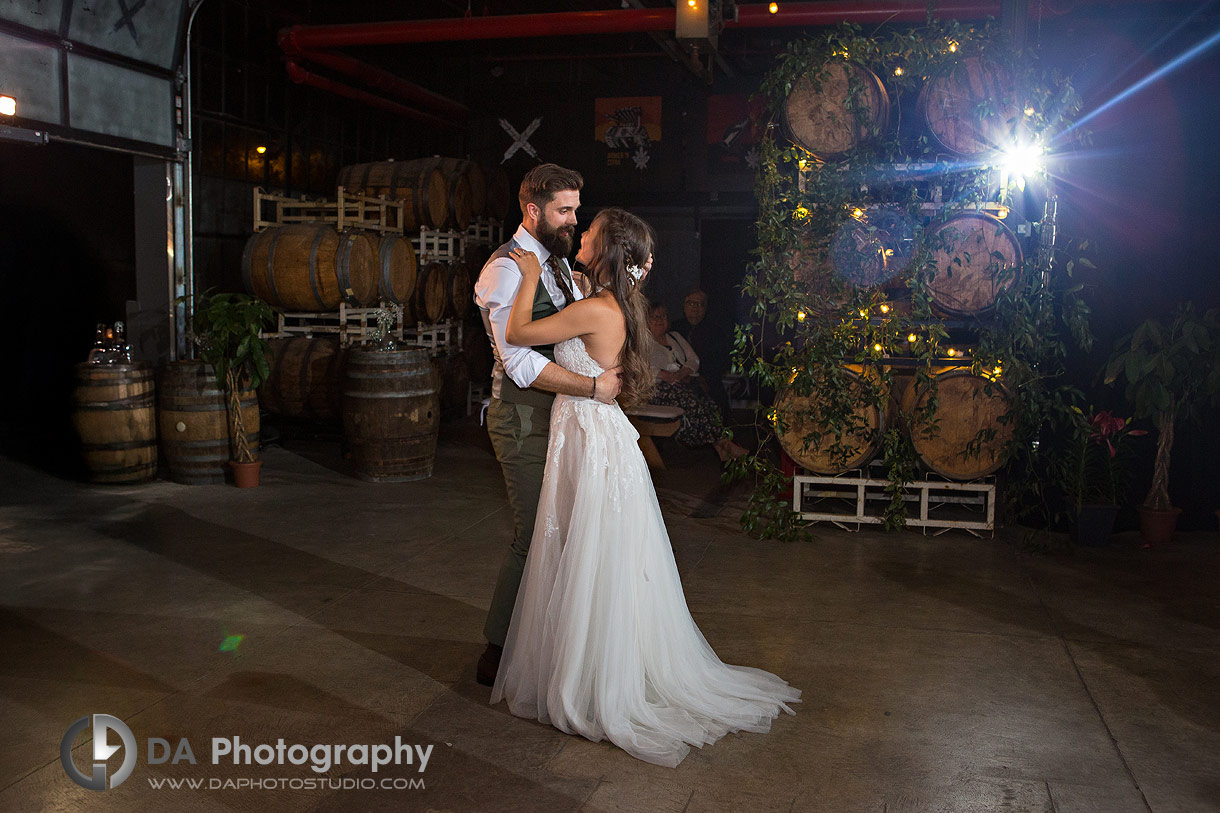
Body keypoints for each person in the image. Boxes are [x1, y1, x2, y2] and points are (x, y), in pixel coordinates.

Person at [490, 208, 799, 768]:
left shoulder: (596, 308)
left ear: (606, 250)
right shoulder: (611, 301)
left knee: (592, 552)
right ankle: (590, 665)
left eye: (590, 233)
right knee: (595, 551)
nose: (581, 234)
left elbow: (515, 334)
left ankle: (595, 679)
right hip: (590, 431)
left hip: (590, 435)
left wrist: (529, 273)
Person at [473, 164, 623, 688]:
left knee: (563, 528)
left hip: (561, 418)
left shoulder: (557, 264)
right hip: (521, 418)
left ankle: (544, 645)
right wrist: (593, 388)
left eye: (576, 211)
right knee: (534, 530)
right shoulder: (505, 270)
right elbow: (519, 362)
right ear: (532, 211)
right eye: (564, 210)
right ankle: (496, 652)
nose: (572, 221)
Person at [647, 302, 746, 461]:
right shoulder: (642, 342)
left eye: (663, 316)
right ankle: (724, 445)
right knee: (692, 402)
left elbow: (694, 360)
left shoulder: (675, 336)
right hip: (658, 388)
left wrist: (683, 372)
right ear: (646, 321)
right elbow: (640, 368)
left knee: (710, 403)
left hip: (682, 382)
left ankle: (721, 449)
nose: (660, 320)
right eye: (655, 317)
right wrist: (664, 375)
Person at [671, 288, 733, 421]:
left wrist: (701, 377)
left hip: (708, 379)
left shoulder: (716, 332)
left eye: (700, 304)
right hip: (678, 379)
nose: (695, 308)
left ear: (705, 308)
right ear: (684, 305)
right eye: (691, 303)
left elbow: (721, 361)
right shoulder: (674, 329)